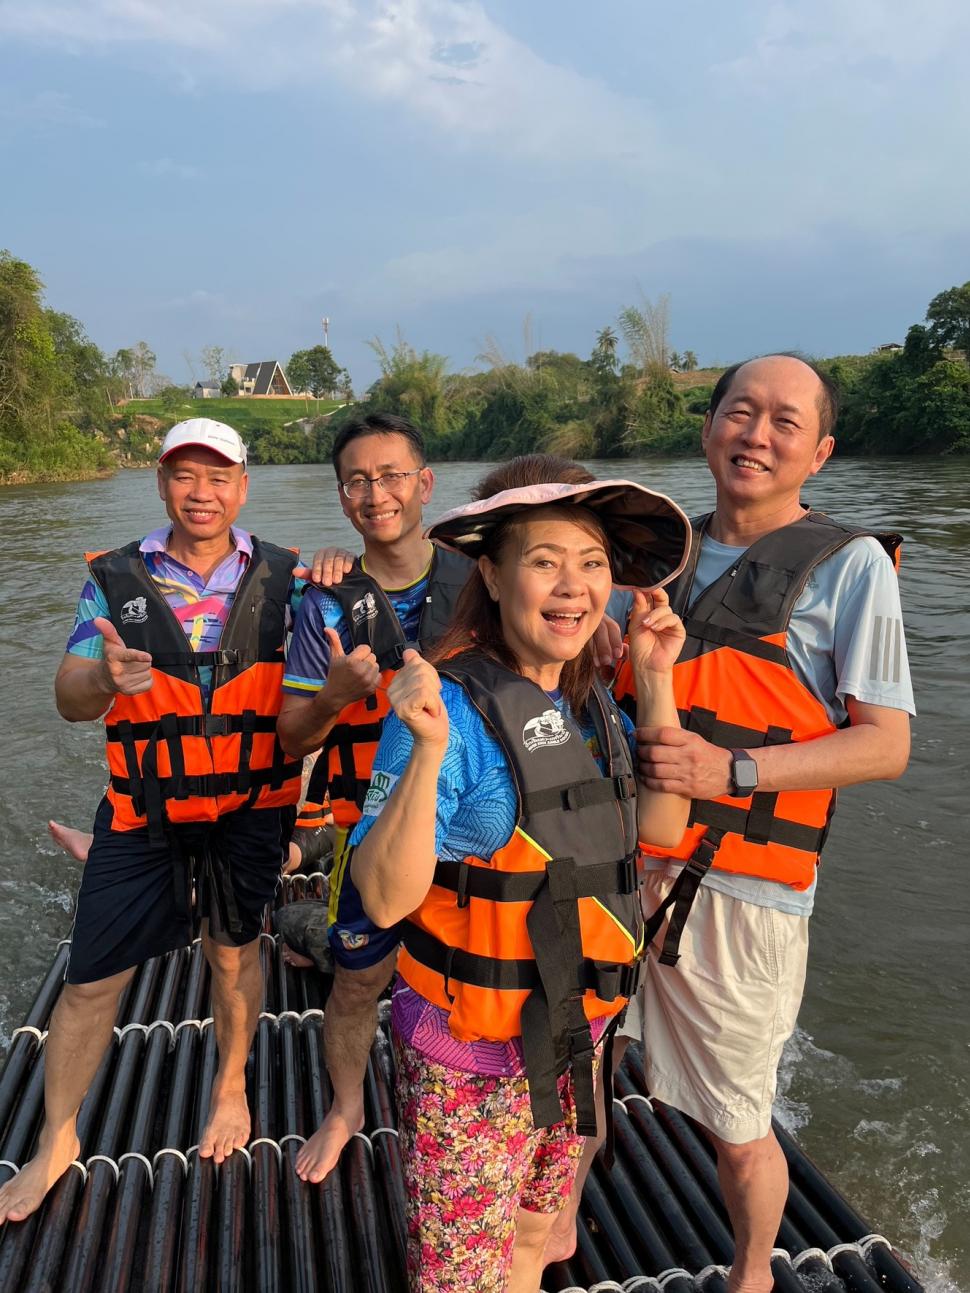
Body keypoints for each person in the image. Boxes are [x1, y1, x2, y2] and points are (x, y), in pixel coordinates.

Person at [553, 355, 914, 1292]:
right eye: (740, 412)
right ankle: (559, 1215)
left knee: (738, 1117)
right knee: (583, 1057)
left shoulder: (849, 566)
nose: (757, 434)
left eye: (785, 422)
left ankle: (752, 1269)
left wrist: (734, 768)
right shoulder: (648, 556)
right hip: (615, 863)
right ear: (708, 426)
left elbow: (886, 744)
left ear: (820, 452)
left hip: (740, 887)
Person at [347, 454, 693, 1293]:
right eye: (545, 560)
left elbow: (658, 829)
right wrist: (426, 750)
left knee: (536, 1232)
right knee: (461, 1276)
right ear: (494, 576)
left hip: (573, 1029)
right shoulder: (451, 710)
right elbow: (383, 898)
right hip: (469, 1056)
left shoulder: (590, 701)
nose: (573, 586)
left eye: (593, 563)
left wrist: (654, 679)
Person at [0, 418, 305, 1225]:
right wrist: (104, 677)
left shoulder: (291, 577)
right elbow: (69, 697)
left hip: (248, 810)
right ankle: (56, 1137)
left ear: (243, 486)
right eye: (184, 475)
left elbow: (325, 681)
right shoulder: (114, 579)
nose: (201, 492)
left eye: (218, 476)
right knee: (90, 979)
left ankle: (230, 1084)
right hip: (143, 811)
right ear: (162, 483)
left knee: (233, 956)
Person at [276, 412, 476, 1183]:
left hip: (474, 820)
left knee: (484, 969)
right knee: (358, 978)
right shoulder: (324, 603)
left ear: (425, 482)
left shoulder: (483, 578)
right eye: (357, 480)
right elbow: (293, 738)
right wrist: (333, 695)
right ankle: (347, 1104)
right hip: (370, 827)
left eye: (391, 475)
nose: (375, 493)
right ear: (341, 496)